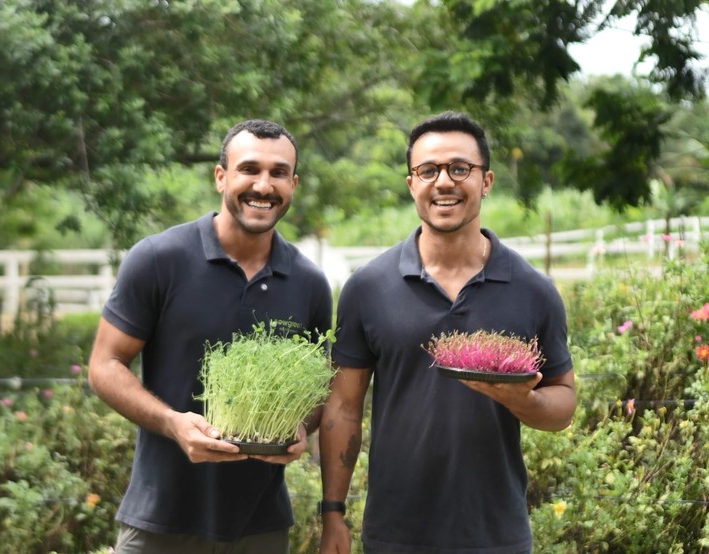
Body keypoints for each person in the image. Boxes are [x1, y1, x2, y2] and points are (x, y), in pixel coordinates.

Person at [318, 111, 577, 553]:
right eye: (428, 170)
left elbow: (564, 405)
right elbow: (343, 408)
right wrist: (333, 513)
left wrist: (525, 401)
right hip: (395, 537)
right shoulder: (368, 287)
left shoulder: (534, 290)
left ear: (487, 181)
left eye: (460, 169)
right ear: (411, 183)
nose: (444, 182)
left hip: (497, 537)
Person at [88, 119, 333, 553]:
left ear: (293, 184)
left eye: (278, 173)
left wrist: (299, 427)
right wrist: (173, 423)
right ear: (221, 176)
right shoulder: (159, 259)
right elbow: (104, 365)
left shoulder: (309, 282)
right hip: (161, 521)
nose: (264, 185)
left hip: (259, 527)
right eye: (249, 169)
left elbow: (317, 390)